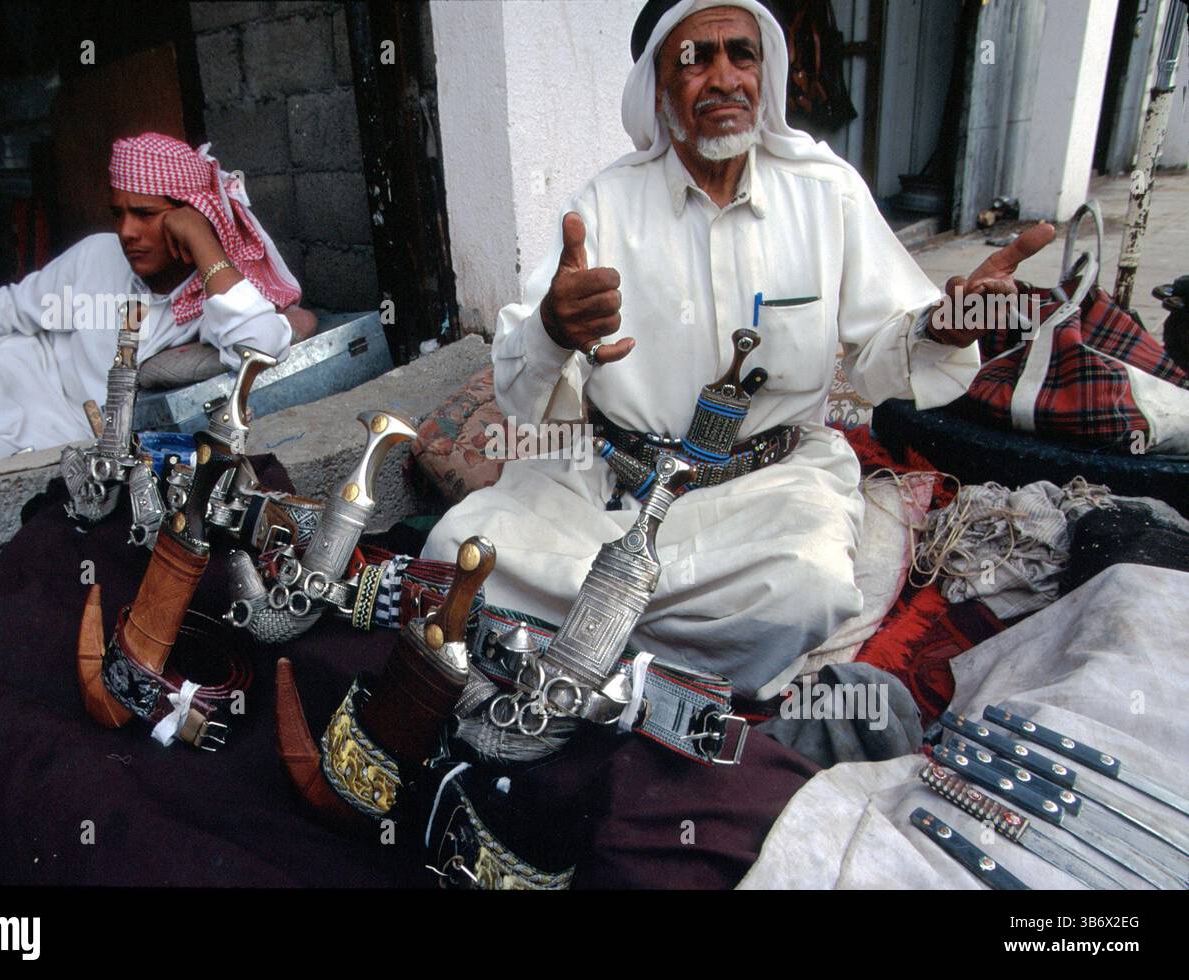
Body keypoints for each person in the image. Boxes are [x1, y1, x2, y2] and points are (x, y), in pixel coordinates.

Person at [423, 0, 1055, 700]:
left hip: (766, 483)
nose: (722, 77)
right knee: (455, 558)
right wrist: (553, 328)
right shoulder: (603, 203)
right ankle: (660, 677)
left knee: (803, 592)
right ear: (660, 93)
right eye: (694, 60)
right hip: (607, 482)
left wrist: (943, 326)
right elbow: (523, 385)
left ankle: (587, 662)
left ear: (766, 73)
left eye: (740, 54)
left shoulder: (825, 192)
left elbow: (884, 348)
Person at [0, 133, 305, 479]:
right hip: (16, 373)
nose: (127, 231)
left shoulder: (206, 299)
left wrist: (203, 243)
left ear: (191, 216)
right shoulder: (96, 254)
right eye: (119, 214)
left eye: (144, 214)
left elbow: (264, 347)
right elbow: (9, 310)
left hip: (66, 432)